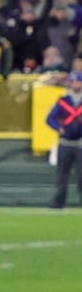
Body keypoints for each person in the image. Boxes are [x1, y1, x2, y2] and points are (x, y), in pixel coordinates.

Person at [46, 72, 82, 208]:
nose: (75, 84)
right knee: (62, 176)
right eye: (73, 82)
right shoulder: (64, 102)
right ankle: (59, 202)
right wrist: (58, 127)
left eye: (77, 81)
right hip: (65, 143)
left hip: (81, 144)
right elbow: (50, 118)